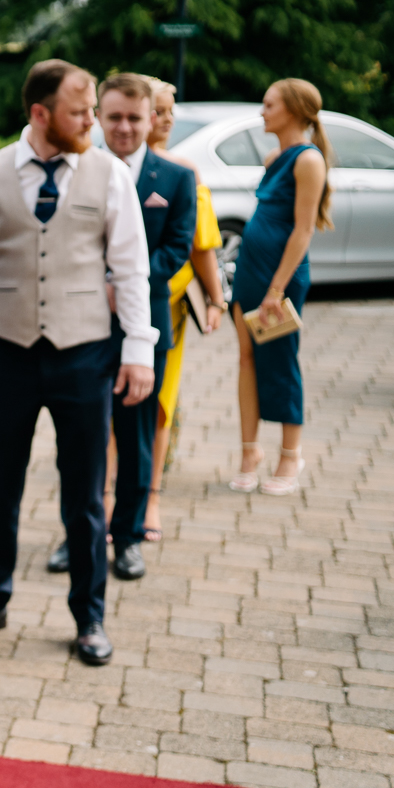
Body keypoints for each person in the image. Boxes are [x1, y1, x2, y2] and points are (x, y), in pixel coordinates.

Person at [0, 59, 156, 667]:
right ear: (40, 114)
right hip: (6, 354)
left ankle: (89, 617)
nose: (92, 122)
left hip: (85, 356)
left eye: (93, 110)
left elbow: (130, 267)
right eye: (80, 112)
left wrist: (139, 349)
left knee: (84, 497)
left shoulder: (109, 175)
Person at [45, 73, 195, 582]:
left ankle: (127, 537)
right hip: (79, 327)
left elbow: (178, 247)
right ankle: (77, 533)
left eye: (135, 117)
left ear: (153, 119)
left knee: (134, 439)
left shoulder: (175, 178)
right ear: (98, 118)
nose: (124, 127)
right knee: (80, 438)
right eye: (114, 117)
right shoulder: (72, 172)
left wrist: (123, 280)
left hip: (143, 327)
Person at [229, 78, 333, 496]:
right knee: (246, 359)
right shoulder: (275, 156)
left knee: (282, 361)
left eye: (269, 104)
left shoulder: (308, 160)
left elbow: (303, 230)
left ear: (291, 109)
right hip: (251, 270)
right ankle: (249, 452)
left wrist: (276, 289)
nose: (261, 111)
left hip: (281, 277)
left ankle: (291, 454)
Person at [145, 79, 226, 524]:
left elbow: (201, 245)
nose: (168, 118)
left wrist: (215, 299)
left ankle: (151, 495)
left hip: (168, 305)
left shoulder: (184, 172)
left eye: (170, 110)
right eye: (160, 109)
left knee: (161, 402)